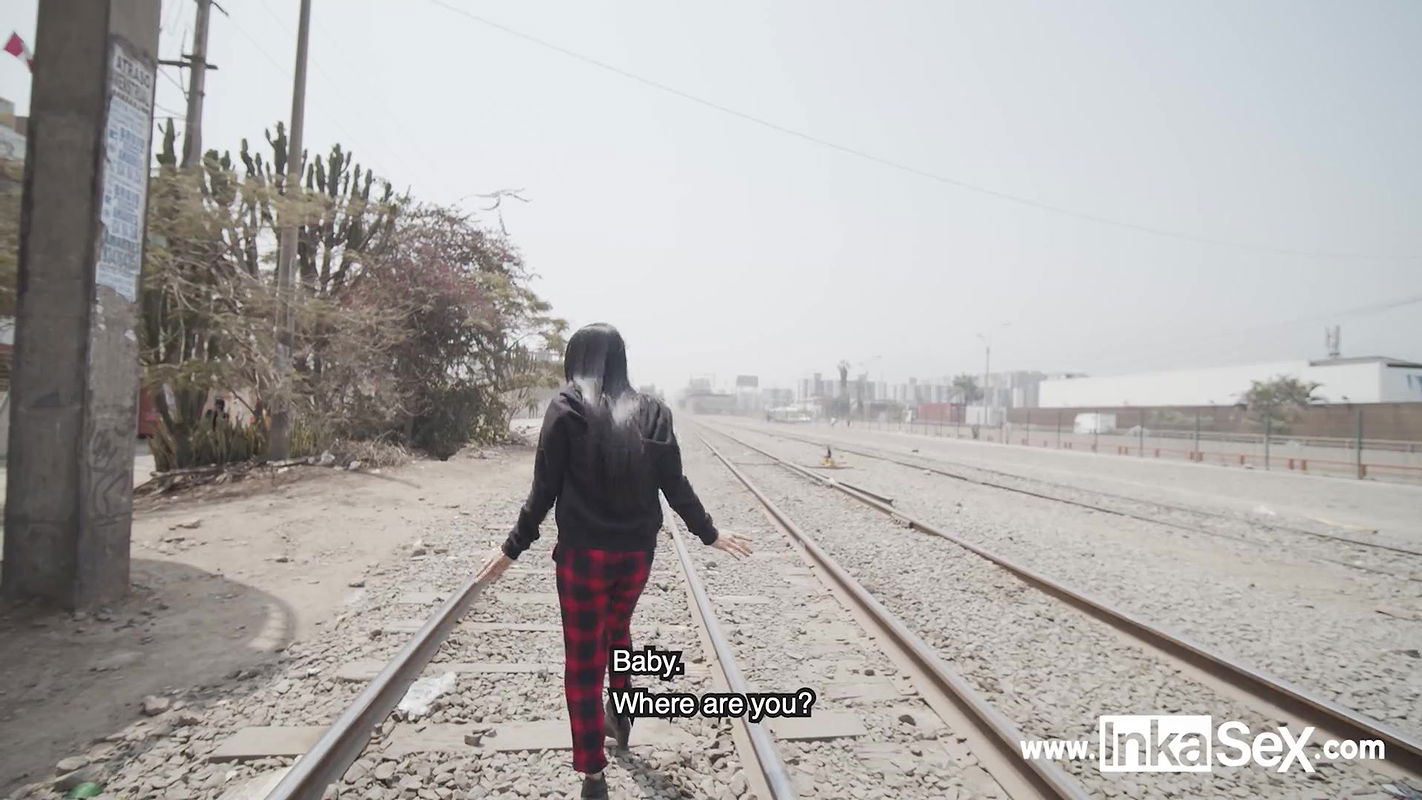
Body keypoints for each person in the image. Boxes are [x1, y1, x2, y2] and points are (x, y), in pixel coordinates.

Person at [475, 323, 752, 800]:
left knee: (583, 660)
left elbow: (544, 489)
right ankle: (620, 714)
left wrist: (511, 548)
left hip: (583, 557)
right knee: (617, 629)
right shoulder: (655, 413)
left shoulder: (565, 409)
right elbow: (675, 486)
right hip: (636, 556)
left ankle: (593, 776)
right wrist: (709, 533)